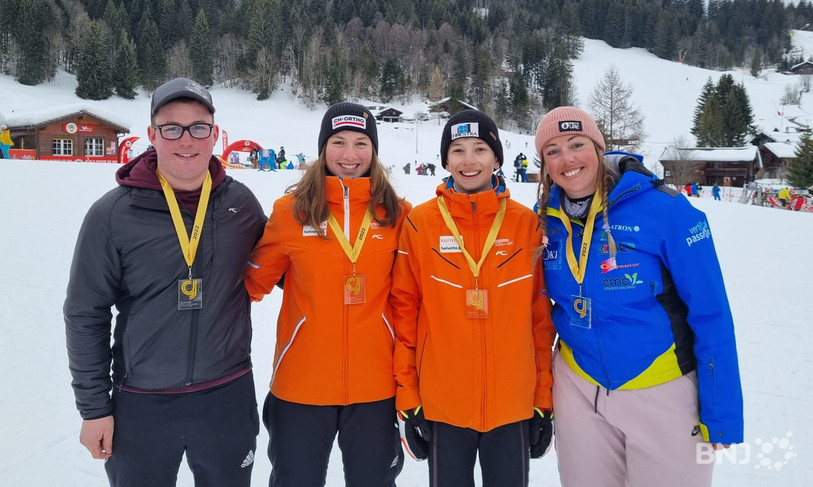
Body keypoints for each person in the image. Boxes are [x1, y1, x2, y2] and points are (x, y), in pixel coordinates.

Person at [64, 77, 267, 487]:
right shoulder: (113, 215)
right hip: (142, 403)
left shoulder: (240, 205)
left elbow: (288, 267)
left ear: (214, 135)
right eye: (172, 128)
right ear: (152, 134)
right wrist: (94, 408)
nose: (186, 140)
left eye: (198, 127)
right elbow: (86, 313)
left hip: (227, 396)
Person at [533, 107, 743, 487]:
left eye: (577, 144)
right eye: (553, 151)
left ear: (598, 148)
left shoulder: (666, 210)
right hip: (578, 389)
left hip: (663, 389)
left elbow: (711, 312)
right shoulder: (543, 219)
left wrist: (722, 411)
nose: (567, 159)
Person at [245, 102, 410, 487]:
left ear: (374, 151)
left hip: (376, 387)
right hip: (300, 385)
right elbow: (249, 284)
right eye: (338, 142)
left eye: (361, 143)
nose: (349, 154)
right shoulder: (291, 212)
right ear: (323, 148)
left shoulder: (398, 214)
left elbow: (412, 299)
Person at [391, 110, 556, 486]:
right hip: (443, 405)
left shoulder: (526, 225)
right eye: (458, 150)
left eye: (480, 149)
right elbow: (404, 313)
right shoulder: (420, 224)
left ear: (496, 158)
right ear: (445, 160)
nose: (469, 161)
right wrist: (408, 395)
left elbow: (540, 320)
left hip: (512, 405)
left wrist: (543, 397)